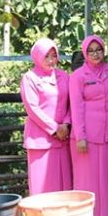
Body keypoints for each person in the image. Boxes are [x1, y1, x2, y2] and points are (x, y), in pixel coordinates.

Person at [70, 35, 108, 216]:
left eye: (99, 49)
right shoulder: (78, 76)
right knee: (88, 181)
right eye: (91, 50)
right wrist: (80, 136)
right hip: (87, 137)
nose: (95, 54)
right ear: (85, 53)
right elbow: (76, 107)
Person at [19, 38, 72, 195]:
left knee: (64, 185)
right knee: (43, 186)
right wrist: (55, 128)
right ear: (37, 56)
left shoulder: (63, 76)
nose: (51, 60)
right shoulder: (30, 78)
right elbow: (32, 108)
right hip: (40, 140)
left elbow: (72, 102)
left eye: (54, 56)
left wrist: (67, 125)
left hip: (64, 138)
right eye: (46, 56)